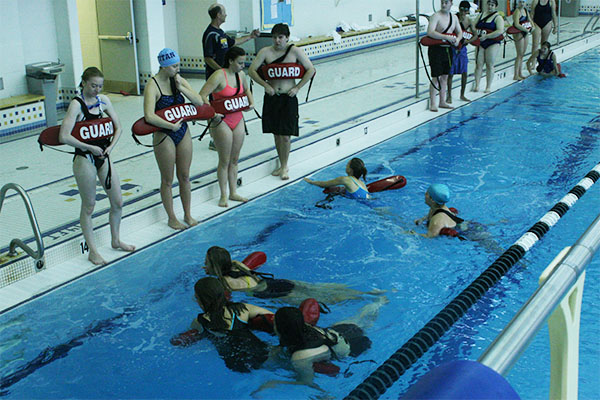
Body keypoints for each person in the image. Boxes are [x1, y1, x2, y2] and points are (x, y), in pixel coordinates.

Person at [58, 67, 135, 265]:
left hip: (103, 155)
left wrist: (110, 147)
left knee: (118, 201)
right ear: (83, 82)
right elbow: (63, 136)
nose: (96, 89)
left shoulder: (104, 101)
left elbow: (118, 127)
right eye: (93, 85)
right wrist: (89, 147)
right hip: (84, 158)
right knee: (89, 205)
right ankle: (92, 251)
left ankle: (116, 240)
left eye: (100, 86)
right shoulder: (76, 105)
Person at [143, 48, 205, 230]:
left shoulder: (178, 80)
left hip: (182, 131)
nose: (178, 69)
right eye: (174, 66)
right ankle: (171, 217)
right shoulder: (152, 85)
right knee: (167, 179)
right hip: (164, 134)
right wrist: (170, 126)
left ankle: (187, 213)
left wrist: (181, 88)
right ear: (164, 66)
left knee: (185, 176)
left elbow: (199, 102)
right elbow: (148, 116)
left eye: (178, 65)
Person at [248, 23, 316, 180]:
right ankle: (281, 164)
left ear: (287, 38)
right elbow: (251, 70)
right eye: (274, 37)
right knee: (277, 134)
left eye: (280, 37)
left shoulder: (295, 51)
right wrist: (265, 85)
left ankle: (285, 166)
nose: (277, 41)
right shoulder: (265, 52)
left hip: (288, 97)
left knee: (286, 135)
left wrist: (298, 87)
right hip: (272, 98)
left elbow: (311, 69)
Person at [203, 246, 383, 305]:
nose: (204, 265)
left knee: (324, 299)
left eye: (207, 263)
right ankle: (368, 293)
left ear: (215, 267)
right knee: (319, 288)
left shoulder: (225, 282)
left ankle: (366, 300)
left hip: (273, 294)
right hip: (279, 282)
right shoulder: (238, 266)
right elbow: (229, 262)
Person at [200, 47, 255, 207]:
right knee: (224, 160)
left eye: (244, 63)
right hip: (221, 121)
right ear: (230, 61)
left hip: (237, 118)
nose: (242, 66)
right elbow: (202, 95)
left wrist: (251, 103)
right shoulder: (218, 75)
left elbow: (246, 90)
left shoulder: (241, 75)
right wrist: (211, 113)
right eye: (239, 63)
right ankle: (223, 195)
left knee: (235, 159)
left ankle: (233, 192)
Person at [184, 277, 273, 373]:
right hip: (260, 353)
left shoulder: (199, 322)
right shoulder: (241, 310)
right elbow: (273, 317)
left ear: (199, 300)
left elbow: (183, 340)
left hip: (235, 365)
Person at [202, 3, 259, 152]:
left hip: (226, 76)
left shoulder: (221, 33)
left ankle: (228, 131)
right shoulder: (210, 34)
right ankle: (214, 138)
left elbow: (234, 43)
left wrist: (251, 37)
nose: (226, 15)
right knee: (216, 106)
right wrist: (221, 72)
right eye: (224, 13)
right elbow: (208, 58)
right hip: (217, 79)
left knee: (230, 103)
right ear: (218, 15)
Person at [426, 0, 462, 112]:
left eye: (446, 2)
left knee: (445, 77)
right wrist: (447, 37)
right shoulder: (435, 16)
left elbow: (459, 32)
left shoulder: (454, 18)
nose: (443, 5)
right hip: (436, 50)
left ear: (451, 3)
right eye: (442, 2)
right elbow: (430, 32)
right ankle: (433, 103)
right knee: (436, 77)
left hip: (448, 50)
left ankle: (442, 101)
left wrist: (458, 40)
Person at [473, 0, 504, 93]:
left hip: (492, 42)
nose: (490, 7)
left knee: (489, 64)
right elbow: (473, 26)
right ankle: (477, 85)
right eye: (489, 5)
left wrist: (486, 36)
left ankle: (488, 86)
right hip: (481, 42)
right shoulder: (481, 15)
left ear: (496, 6)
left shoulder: (498, 18)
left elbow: (500, 31)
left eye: (492, 5)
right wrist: (476, 34)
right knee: (479, 64)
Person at [447, 1, 475, 103]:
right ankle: (448, 96)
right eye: (461, 9)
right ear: (459, 9)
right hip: (453, 48)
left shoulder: (469, 21)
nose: (463, 12)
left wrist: (468, 41)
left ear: (468, 11)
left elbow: (475, 36)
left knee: (464, 72)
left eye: (465, 10)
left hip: (463, 48)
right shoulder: (454, 18)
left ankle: (462, 94)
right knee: (450, 73)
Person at [304, 158, 370, 199]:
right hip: (371, 202)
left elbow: (323, 184)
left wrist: (310, 181)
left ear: (350, 170)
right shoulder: (361, 182)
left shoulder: (345, 179)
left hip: (368, 205)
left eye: (347, 165)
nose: (346, 166)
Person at [511, 0, 533, 81]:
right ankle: (516, 75)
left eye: (523, 2)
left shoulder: (526, 11)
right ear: (518, 3)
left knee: (522, 54)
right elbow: (516, 24)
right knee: (519, 54)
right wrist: (526, 30)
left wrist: (532, 27)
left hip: (525, 32)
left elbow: (530, 20)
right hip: (518, 33)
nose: (522, 4)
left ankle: (520, 73)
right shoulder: (517, 11)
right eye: (520, 2)